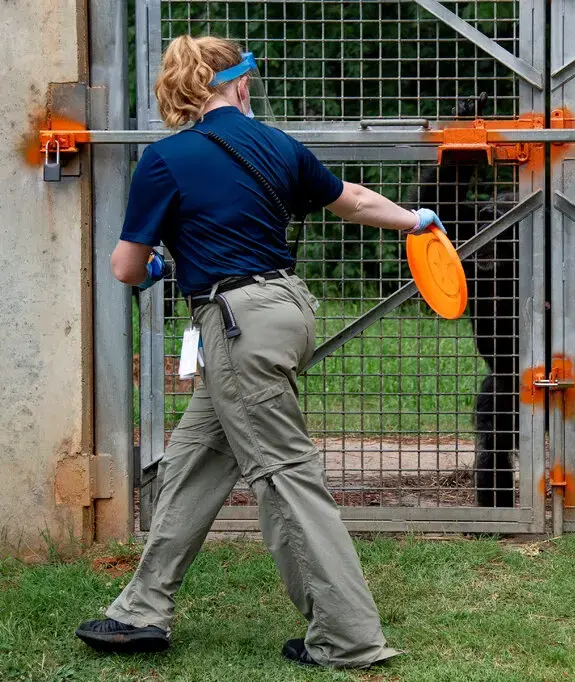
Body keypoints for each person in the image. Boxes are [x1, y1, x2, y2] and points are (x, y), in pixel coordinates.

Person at [74, 35, 443, 670]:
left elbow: (124, 265)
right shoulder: (278, 145)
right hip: (286, 312)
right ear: (240, 84)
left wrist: (161, 264)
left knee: (285, 475)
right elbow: (350, 199)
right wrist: (417, 221)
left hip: (235, 325)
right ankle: (141, 610)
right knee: (195, 459)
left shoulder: (165, 160)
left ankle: (348, 637)